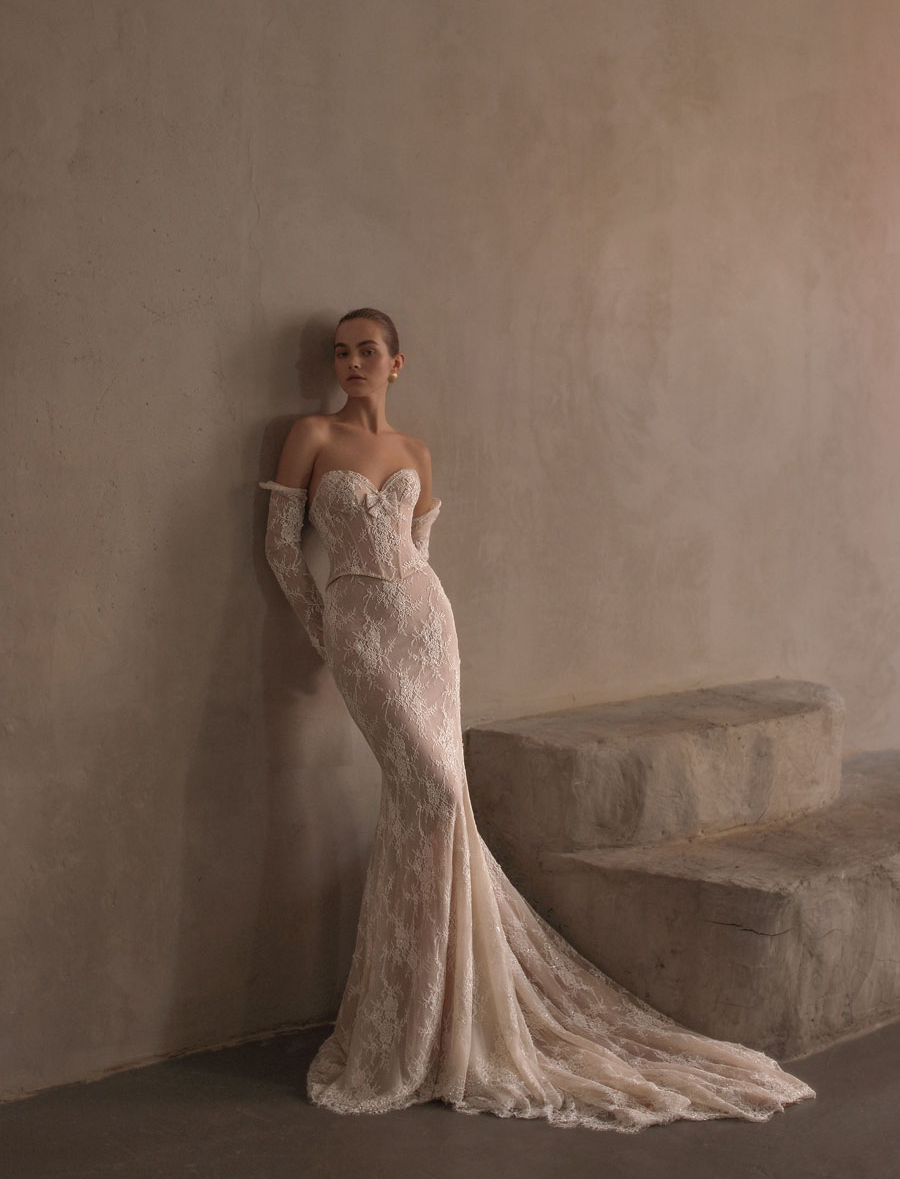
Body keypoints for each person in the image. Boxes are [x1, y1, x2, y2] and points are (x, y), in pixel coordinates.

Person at [259, 307, 815, 1132]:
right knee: (437, 797)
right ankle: (410, 1017)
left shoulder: (416, 454)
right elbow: (279, 547)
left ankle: (442, 1009)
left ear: (397, 362)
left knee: (441, 804)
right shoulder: (309, 435)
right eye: (340, 352)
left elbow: (421, 554)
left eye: (366, 350)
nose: (350, 363)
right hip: (359, 632)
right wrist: (327, 634)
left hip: (426, 627)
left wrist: (403, 619)